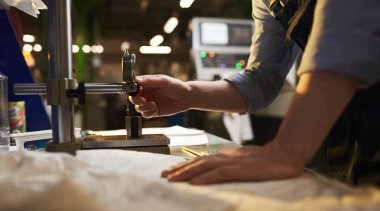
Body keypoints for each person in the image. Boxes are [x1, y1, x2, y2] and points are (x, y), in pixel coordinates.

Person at [131, 0, 380, 185]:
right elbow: (261, 80)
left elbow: (345, 39)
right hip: (336, 122)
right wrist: (189, 94)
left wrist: (285, 151)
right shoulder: (267, 2)